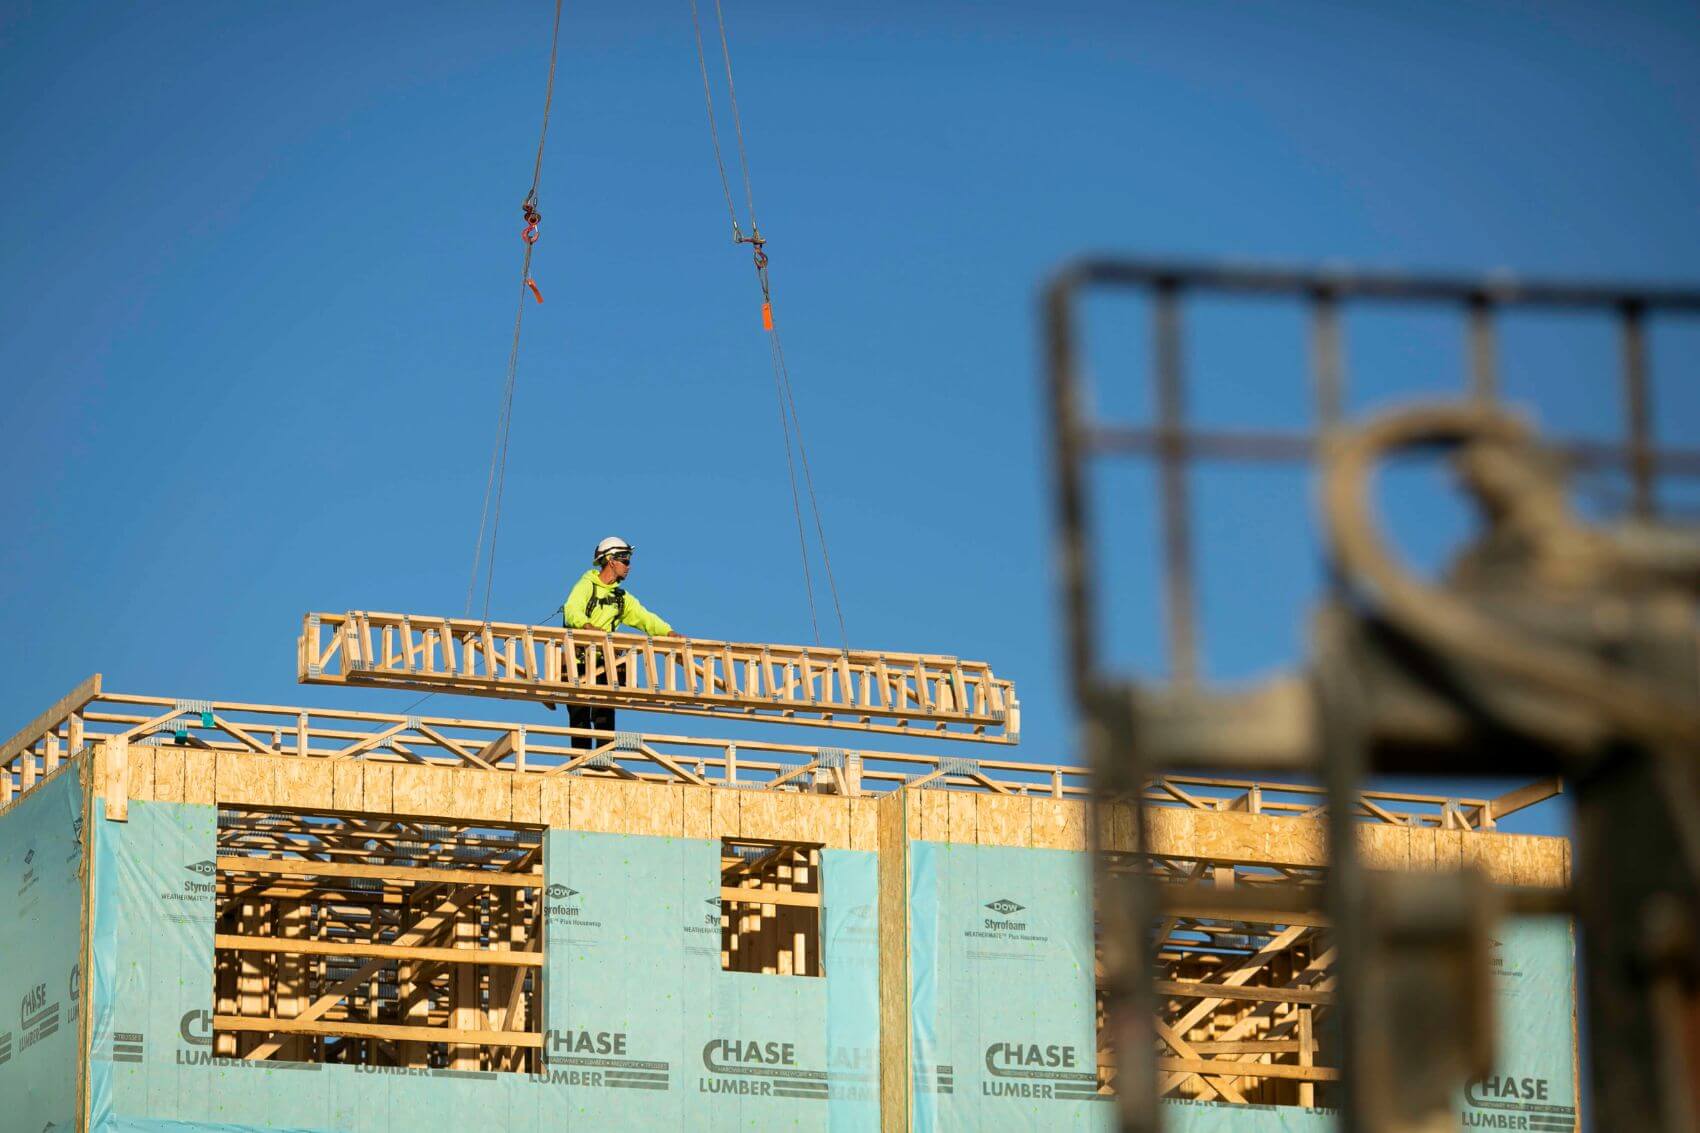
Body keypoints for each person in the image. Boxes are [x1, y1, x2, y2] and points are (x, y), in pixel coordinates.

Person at [558, 536, 680, 747]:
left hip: (604, 662)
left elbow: (645, 618)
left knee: (604, 712)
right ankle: (579, 765)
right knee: (579, 715)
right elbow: (572, 610)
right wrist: (588, 628)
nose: (629, 566)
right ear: (611, 560)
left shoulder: (621, 598)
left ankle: (603, 763)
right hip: (577, 661)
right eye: (625, 560)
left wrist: (669, 633)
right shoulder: (587, 585)